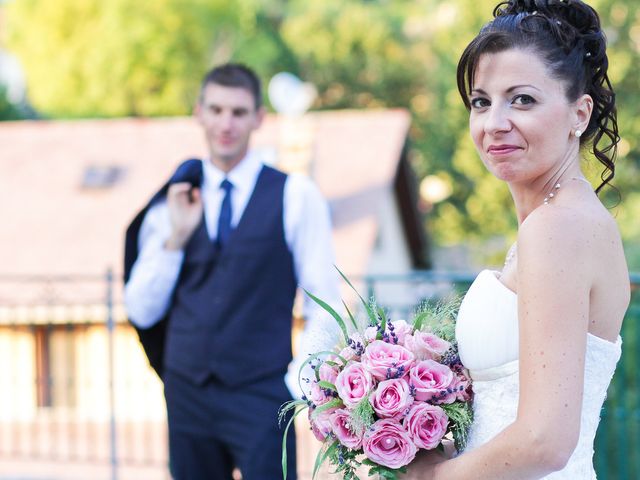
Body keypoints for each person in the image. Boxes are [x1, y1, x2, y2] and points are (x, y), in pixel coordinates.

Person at [405, 1, 629, 479]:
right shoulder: (561, 219)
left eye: (522, 99)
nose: (495, 123)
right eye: (482, 102)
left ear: (579, 113)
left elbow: (544, 440)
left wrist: (430, 476)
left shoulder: (559, 227)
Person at [123, 63, 341, 480]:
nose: (226, 123)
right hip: (187, 394)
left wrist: (296, 385)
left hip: (262, 393)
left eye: (239, 112)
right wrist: (175, 240)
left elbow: (325, 300)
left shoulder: (296, 196)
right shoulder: (171, 199)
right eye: (217, 109)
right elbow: (141, 310)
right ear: (198, 112)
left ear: (259, 118)